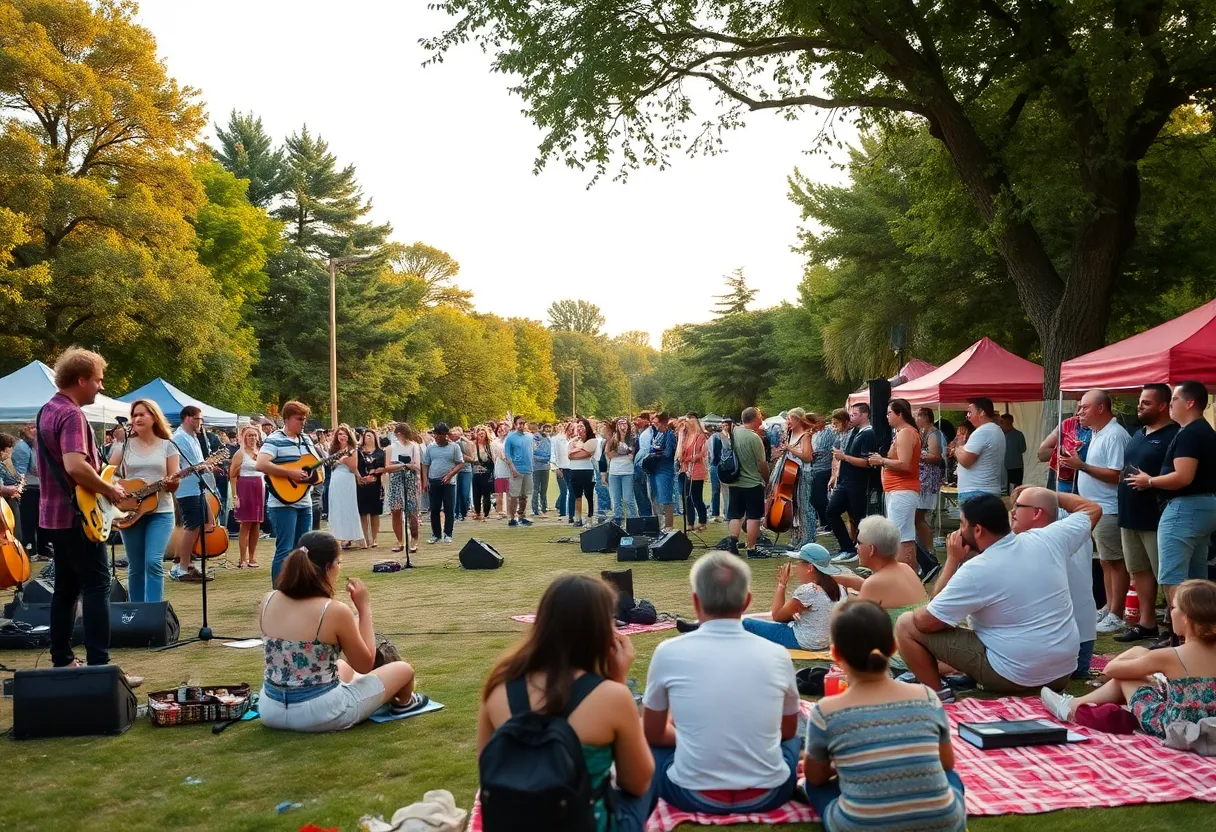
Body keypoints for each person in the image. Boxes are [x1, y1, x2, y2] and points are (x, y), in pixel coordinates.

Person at [478, 574, 655, 831]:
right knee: (650, 780)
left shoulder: (499, 684)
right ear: (601, 630)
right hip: (583, 822)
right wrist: (618, 682)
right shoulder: (613, 697)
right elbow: (637, 782)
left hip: (514, 820)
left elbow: (486, 769)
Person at [640, 551, 803, 817]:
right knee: (794, 741)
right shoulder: (777, 654)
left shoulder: (668, 652)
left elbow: (654, 734)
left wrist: (692, 739)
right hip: (768, 792)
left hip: (691, 793)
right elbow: (787, 732)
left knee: (649, 744)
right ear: (747, 601)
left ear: (696, 601)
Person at [895, 491, 1098, 699]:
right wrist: (1049, 494)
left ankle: (938, 694)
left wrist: (952, 561)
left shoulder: (977, 569)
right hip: (1061, 674)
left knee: (906, 625)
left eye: (962, 524)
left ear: (978, 530)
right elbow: (1092, 509)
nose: (958, 532)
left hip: (1015, 676)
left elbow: (927, 622)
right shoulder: (1046, 538)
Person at [804, 599, 967, 832]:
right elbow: (946, 763)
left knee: (812, 787)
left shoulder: (826, 711)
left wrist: (845, 766)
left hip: (859, 826)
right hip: (944, 823)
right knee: (953, 778)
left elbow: (816, 777)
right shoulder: (928, 698)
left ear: (835, 654)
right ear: (893, 646)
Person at [258, 530, 428, 732]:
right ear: (328, 567)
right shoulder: (333, 610)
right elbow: (365, 664)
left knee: (342, 666)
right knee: (403, 669)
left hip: (270, 709)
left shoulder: (268, 599)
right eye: (338, 563)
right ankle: (405, 703)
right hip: (319, 713)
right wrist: (364, 610)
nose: (339, 568)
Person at [37, 348, 133, 678]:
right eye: (98, 380)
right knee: (97, 586)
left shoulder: (47, 410)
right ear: (81, 380)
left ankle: (63, 660)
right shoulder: (72, 415)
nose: (101, 386)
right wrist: (109, 490)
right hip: (78, 516)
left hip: (55, 515)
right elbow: (76, 466)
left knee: (65, 589)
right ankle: (99, 667)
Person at [1042, 579, 1216, 739]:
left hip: (1176, 727)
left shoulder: (1169, 656)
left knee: (1126, 679)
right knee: (1143, 664)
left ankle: (1072, 706)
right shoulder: (1170, 656)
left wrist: (1137, 657)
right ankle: (1083, 706)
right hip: (1210, 724)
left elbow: (1111, 670)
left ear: (1186, 618)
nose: (1171, 612)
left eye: (1174, 608)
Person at [1126, 380, 1216, 613]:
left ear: (1190, 403)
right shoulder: (1204, 430)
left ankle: (1180, 629)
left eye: (1175, 399)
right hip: (1203, 506)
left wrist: (1150, 481)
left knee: (1172, 576)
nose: (1171, 404)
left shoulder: (1190, 433)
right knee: (1196, 577)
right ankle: (1200, 628)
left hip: (1184, 507)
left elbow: (1183, 477)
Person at [1010, 486, 1101, 678]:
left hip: (1050, 647)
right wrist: (1046, 495)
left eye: (1018, 506)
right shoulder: (1073, 529)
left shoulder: (1037, 540)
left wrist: (1044, 495)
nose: (1012, 512)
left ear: (1037, 512)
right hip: (1078, 640)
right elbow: (1089, 508)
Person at [1063, 389, 1131, 634]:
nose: (1079, 411)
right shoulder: (1097, 433)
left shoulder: (1115, 435)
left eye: (1084, 407)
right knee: (1105, 560)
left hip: (1109, 508)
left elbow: (1117, 474)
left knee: (1115, 561)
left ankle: (1117, 613)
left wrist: (1082, 466)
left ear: (1101, 408)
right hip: (1096, 508)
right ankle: (1108, 606)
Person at [1115, 384, 1179, 644]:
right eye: (1140, 401)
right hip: (1130, 514)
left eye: (1146, 403)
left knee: (1165, 574)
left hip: (1156, 516)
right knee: (1139, 570)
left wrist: (1151, 481)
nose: (1139, 406)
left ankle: (1175, 629)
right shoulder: (1138, 434)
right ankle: (1147, 623)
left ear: (1163, 406)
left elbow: (1180, 475)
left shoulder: (1174, 435)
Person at [108, 399, 180, 602]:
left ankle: (153, 612)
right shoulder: (124, 446)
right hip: (130, 512)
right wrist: (118, 489)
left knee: (153, 562)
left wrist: (172, 482)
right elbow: (108, 475)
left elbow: (174, 484)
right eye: (134, 415)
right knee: (136, 566)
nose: (137, 418)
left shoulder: (168, 446)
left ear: (154, 417)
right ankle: (136, 611)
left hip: (161, 512)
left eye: (142, 414)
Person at [256, 400, 320, 585]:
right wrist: (289, 473)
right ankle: (279, 591)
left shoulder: (306, 440)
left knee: (303, 549)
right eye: (299, 419)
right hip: (282, 503)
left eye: (304, 419)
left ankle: (299, 588)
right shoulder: (274, 439)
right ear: (287, 419)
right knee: (285, 548)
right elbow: (261, 464)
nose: (303, 422)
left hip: (304, 501)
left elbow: (314, 466)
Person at [742, 542, 843, 649]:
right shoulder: (839, 588)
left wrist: (782, 584)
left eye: (798, 562)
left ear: (809, 568)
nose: (796, 566)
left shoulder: (807, 591)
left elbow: (777, 617)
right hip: (824, 642)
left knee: (746, 624)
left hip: (803, 641)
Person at [169, 406, 220, 582]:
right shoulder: (179, 438)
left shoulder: (193, 437)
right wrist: (203, 466)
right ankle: (181, 567)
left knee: (198, 525)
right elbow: (182, 468)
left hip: (197, 487)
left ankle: (188, 563)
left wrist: (206, 466)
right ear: (188, 418)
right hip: (187, 489)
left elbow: (196, 463)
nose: (200, 423)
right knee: (191, 527)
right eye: (198, 419)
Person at [869, 397, 921, 568]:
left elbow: (905, 464)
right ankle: (909, 575)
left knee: (896, 537)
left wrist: (882, 460)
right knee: (905, 537)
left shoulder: (906, 432)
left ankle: (897, 575)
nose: (887, 417)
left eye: (889, 413)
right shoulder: (903, 432)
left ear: (900, 414)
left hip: (902, 490)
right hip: (898, 490)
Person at [827, 403, 877, 563]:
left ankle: (862, 550)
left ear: (864, 415)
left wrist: (845, 457)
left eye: (854, 414)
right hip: (846, 481)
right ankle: (847, 547)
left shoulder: (868, 434)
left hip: (858, 483)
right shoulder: (855, 432)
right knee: (831, 511)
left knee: (858, 518)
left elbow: (867, 462)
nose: (851, 417)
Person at [725, 407, 770, 558]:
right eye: (760, 416)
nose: (762, 418)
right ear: (755, 419)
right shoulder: (754, 438)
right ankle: (751, 548)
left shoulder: (734, 433)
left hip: (734, 481)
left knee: (735, 515)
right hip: (752, 483)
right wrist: (767, 479)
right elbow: (761, 463)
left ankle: (732, 545)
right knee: (753, 516)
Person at [950, 397, 1005, 501]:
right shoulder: (995, 430)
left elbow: (966, 461)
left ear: (982, 412)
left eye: (970, 412)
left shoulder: (983, 431)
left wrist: (958, 446)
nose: (968, 416)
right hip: (983, 491)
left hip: (976, 492)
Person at [775, 408, 816, 548]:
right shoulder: (790, 434)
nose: (788, 421)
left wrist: (790, 449)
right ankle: (797, 536)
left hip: (803, 474)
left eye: (790, 419)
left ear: (798, 420)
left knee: (805, 507)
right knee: (794, 507)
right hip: (791, 474)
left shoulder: (805, 436)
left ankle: (809, 538)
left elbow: (808, 457)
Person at [229, 425, 264, 568]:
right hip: (245, 487)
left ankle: (252, 557)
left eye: (254, 435)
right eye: (249, 435)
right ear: (244, 438)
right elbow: (232, 474)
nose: (252, 438)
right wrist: (235, 495)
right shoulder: (240, 453)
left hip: (259, 487)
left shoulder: (260, 452)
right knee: (245, 523)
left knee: (256, 523)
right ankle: (243, 558)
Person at [423, 423, 464, 544]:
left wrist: (450, 474)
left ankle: (448, 533)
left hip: (449, 482)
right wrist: (425, 480)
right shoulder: (430, 447)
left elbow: (460, 463)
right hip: (434, 479)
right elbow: (425, 464)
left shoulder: (454, 447)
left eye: (439, 435)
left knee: (449, 508)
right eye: (436, 434)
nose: (437, 437)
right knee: (434, 508)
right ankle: (436, 534)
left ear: (445, 435)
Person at [325, 426, 365, 549]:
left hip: (347, 478)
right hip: (336, 478)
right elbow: (329, 464)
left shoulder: (352, 449)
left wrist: (344, 459)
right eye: (340, 434)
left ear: (348, 436)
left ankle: (351, 537)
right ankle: (338, 535)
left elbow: (353, 466)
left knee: (348, 506)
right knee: (337, 506)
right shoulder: (333, 449)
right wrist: (337, 459)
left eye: (344, 434)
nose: (342, 436)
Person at [385, 422, 423, 552]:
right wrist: (402, 465)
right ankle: (400, 541)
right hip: (396, 480)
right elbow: (387, 467)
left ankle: (414, 540)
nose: (401, 437)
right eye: (399, 434)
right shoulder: (390, 448)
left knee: (412, 511)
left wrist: (410, 466)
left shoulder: (414, 446)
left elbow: (417, 466)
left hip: (410, 480)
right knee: (396, 511)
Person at [915, 407, 946, 554]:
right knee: (917, 517)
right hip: (922, 479)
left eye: (918, 416)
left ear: (926, 417)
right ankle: (924, 549)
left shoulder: (933, 433)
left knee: (918, 517)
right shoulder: (923, 432)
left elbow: (935, 456)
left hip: (927, 480)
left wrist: (917, 455)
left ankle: (929, 550)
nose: (916, 419)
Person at [11, 423, 43, 559]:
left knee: (38, 521)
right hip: (29, 488)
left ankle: (40, 550)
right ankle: (30, 551)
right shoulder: (23, 447)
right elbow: (32, 469)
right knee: (28, 522)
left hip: (38, 488)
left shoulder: (34, 446)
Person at [1038, 414, 1091, 493]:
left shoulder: (1103, 429)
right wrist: (1065, 450)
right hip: (1065, 483)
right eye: (1080, 407)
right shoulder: (1068, 425)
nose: (1080, 412)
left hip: (1090, 485)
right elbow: (1042, 454)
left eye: (1085, 408)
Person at [676, 412, 709, 531]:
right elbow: (679, 454)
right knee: (686, 497)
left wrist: (693, 457)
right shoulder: (684, 437)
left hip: (697, 470)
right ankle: (690, 522)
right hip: (685, 470)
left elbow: (704, 452)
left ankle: (702, 521)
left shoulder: (701, 436)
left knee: (696, 497)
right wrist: (680, 435)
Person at [356, 429, 386, 549]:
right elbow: (355, 466)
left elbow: (385, 467)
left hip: (375, 484)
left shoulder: (380, 452)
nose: (368, 438)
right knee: (363, 513)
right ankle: (364, 539)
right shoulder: (358, 452)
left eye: (370, 436)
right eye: (366, 436)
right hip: (361, 484)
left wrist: (378, 472)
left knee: (375, 513)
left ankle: (373, 539)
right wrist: (360, 478)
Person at [647, 413, 677, 531]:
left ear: (663, 423)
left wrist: (656, 453)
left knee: (666, 498)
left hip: (665, 469)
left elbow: (669, 453)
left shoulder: (669, 434)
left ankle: (669, 526)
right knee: (655, 496)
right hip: (655, 468)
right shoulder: (658, 434)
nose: (655, 425)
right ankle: (659, 524)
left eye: (657, 423)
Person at [503, 415, 534, 527]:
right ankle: (512, 518)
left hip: (528, 470)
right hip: (517, 469)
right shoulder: (510, 437)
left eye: (523, 423)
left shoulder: (530, 436)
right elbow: (507, 454)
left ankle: (522, 516)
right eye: (520, 423)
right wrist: (512, 468)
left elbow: (531, 451)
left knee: (524, 496)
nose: (522, 425)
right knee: (514, 495)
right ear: (515, 424)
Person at [566, 418, 598, 527]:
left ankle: (590, 517)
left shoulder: (592, 440)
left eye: (582, 426)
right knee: (577, 496)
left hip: (586, 470)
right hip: (574, 470)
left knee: (589, 495)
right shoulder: (574, 441)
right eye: (578, 426)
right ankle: (578, 518)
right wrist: (577, 449)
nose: (580, 428)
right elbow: (569, 455)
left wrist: (575, 452)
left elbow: (586, 454)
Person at [606, 417, 637, 523]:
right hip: (614, 472)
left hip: (627, 472)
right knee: (616, 500)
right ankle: (618, 521)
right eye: (620, 424)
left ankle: (633, 521)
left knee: (628, 499)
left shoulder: (632, 438)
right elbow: (608, 454)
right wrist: (621, 452)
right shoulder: (613, 439)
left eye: (624, 424)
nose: (622, 426)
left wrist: (622, 452)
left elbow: (632, 453)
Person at [468, 425, 495, 523]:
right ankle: (478, 512)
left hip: (487, 472)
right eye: (479, 433)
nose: (481, 435)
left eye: (483, 433)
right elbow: (471, 457)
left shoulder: (490, 445)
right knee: (476, 493)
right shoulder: (473, 444)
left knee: (486, 494)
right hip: (476, 472)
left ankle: (486, 513)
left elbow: (493, 458)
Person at [632, 411, 654, 518]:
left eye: (639, 419)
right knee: (641, 492)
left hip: (640, 466)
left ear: (645, 420)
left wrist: (636, 462)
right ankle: (645, 514)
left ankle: (645, 514)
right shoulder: (643, 433)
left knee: (641, 492)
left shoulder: (646, 434)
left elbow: (644, 451)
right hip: (642, 465)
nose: (636, 422)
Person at [1000, 413, 1027, 494]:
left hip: (1016, 468)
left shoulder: (1019, 435)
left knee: (1016, 490)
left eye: (1002, 422)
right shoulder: (999, 435)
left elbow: (1023, 449)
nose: (1001, 424)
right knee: (1004, 490)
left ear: (1009, 422)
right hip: (1002, 468)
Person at [451, 425, 474, 522]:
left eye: (458, 433)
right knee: (455, 493)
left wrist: (465, 439)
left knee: (465, 493)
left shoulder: (465, 442)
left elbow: (471, 456)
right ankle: (457, 513)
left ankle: (463, 511)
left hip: (465, 470)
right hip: (454, 471)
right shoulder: (450, 444)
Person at [531, 422, 552, 516]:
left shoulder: (548, 439)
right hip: (536, 467)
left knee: (544, 488)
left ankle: (544, 506)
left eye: (549, 429)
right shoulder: (535, 438)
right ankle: (535, 508)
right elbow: (534, 451)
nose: (547, 431)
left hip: (546, 467)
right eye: (545, 428)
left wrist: (547, 458)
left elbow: (550, 451)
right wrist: (542, 458)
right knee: (536, 488)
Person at [552, 420, 571, 519]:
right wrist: (556, 468)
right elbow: (553, 454)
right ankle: (563, 512)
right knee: (564, 491)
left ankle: (569, 511)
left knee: (571, 491)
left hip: (572, 468)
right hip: (562, 468)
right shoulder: (557, 439)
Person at [491, 422, 510, 519]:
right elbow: (496, 455)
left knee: (510, 492)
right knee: (499, 492)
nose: (501, 431)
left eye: (503, 429)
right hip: (500, 468)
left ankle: (510, 511)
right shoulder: (494, 442)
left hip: (510, 468)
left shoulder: (510, 440)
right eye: (500, 429)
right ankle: (500, 511)